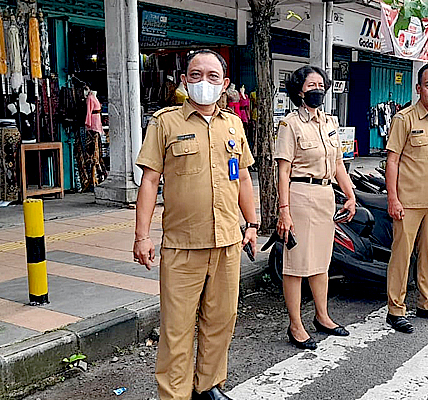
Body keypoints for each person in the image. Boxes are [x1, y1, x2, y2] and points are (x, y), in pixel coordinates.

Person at [133, 49, 257, 400]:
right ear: (185, 81)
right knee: (177, 328)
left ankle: (209, 386)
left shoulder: (233, 124)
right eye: (197, 75)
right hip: (182, 246)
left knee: (221, 320)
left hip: (227, 243)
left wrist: (252, 223)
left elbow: (244, 179)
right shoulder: (165, 122)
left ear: (225, 84)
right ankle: (174, 395)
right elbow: (149, 181)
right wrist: (142, 236)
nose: (205, 82)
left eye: (213, 76)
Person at [274, 65, 356, 350]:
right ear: (299, 91)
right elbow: (283, 171)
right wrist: (283, 209)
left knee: (321, 262)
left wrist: (350, 194)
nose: (317, 90)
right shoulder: (290, 125)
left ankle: (322, 317)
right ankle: (296, 325)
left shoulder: (330, 122)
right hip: (299, 196)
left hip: (324, 196)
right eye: (311, 86)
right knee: (296, 265)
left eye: (321, 85)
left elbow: (337, 165)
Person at [384, 62, 428, 334]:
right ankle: (396, 310)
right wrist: (393, 198)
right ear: (418, 88)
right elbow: (392, 161)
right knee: (401, 256)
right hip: (409, 202)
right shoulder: (404, 119)